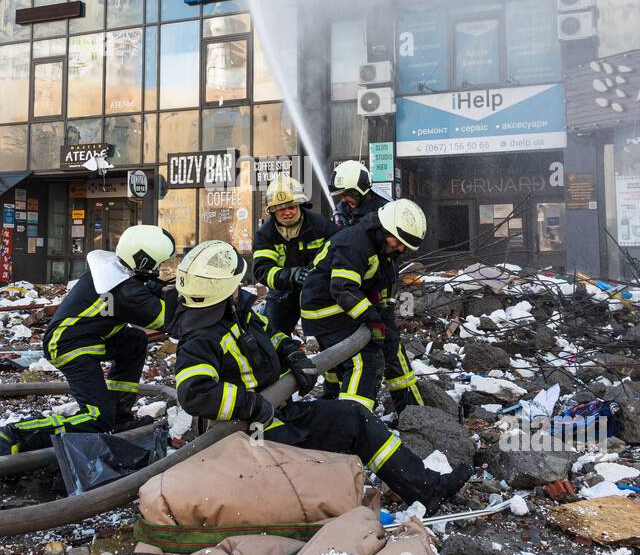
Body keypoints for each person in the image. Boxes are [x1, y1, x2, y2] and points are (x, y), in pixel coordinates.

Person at [171, 240, 470, 510]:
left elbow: (271, 335)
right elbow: (195, 393)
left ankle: (425, 489)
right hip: (248, 438)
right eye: (235, 283)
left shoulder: (237, 313)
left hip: (276, 415)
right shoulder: (199, 338)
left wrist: (293, 355)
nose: (240, 288)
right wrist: (250, 404)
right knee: (323, 464)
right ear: (223, 290)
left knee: (354, 417)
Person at [0, 225, 178, 455]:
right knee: (96, 418)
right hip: (69, 345)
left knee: (133, 341)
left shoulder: (116, 271)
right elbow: (168, 319)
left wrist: (161, 288)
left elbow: (142, 287)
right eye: (160, 264)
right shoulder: (124, 293)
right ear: (145, 262)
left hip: (86, 337)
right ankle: (13, 435)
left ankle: (119, 414)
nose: (162, 269)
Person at [300, 199, 427, 413]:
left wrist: (386, 326)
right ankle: (352, 424)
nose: (400, 248)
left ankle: (409, 411)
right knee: (365, 360)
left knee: (383, 350)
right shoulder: (355, 242)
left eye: (405, 246)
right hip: (326, 309)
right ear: (384, 227)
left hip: (341, 308)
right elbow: (343, 287)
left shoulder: (385, 249)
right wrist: (372, 318)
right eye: (397, 241)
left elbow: (384, 291)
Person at [251, 175, 337, 337]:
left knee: (329, 334)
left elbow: (340, 253)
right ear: (272, 210)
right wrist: (291, 275)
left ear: (300, 205)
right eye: (281, 208)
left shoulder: (320, 226)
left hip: (320, 290)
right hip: (283, 293)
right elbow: (262, 270)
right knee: (272, 335)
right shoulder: (265, 235)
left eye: (291, 207)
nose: (287, 212)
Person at [330, 160, 389, 228]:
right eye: (341, 196)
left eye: (345, 195)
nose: (344, 200)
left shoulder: (384, 210)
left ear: (359, 190)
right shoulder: (342, 209)